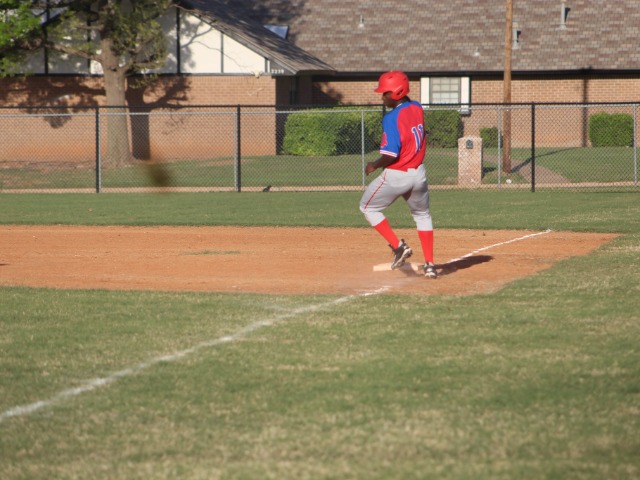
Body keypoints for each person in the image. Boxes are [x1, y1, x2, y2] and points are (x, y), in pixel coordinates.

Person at [359, 71, 437, 278]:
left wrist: (374, 165)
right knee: (422, 216)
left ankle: (398, 246)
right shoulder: (417, 107)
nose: (382, 97)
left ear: (396, 93)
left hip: (397, 174)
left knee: (367, 207)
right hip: (419, 174)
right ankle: (430, 265)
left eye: (385, 93)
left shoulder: (391, 118)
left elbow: (391, 154)